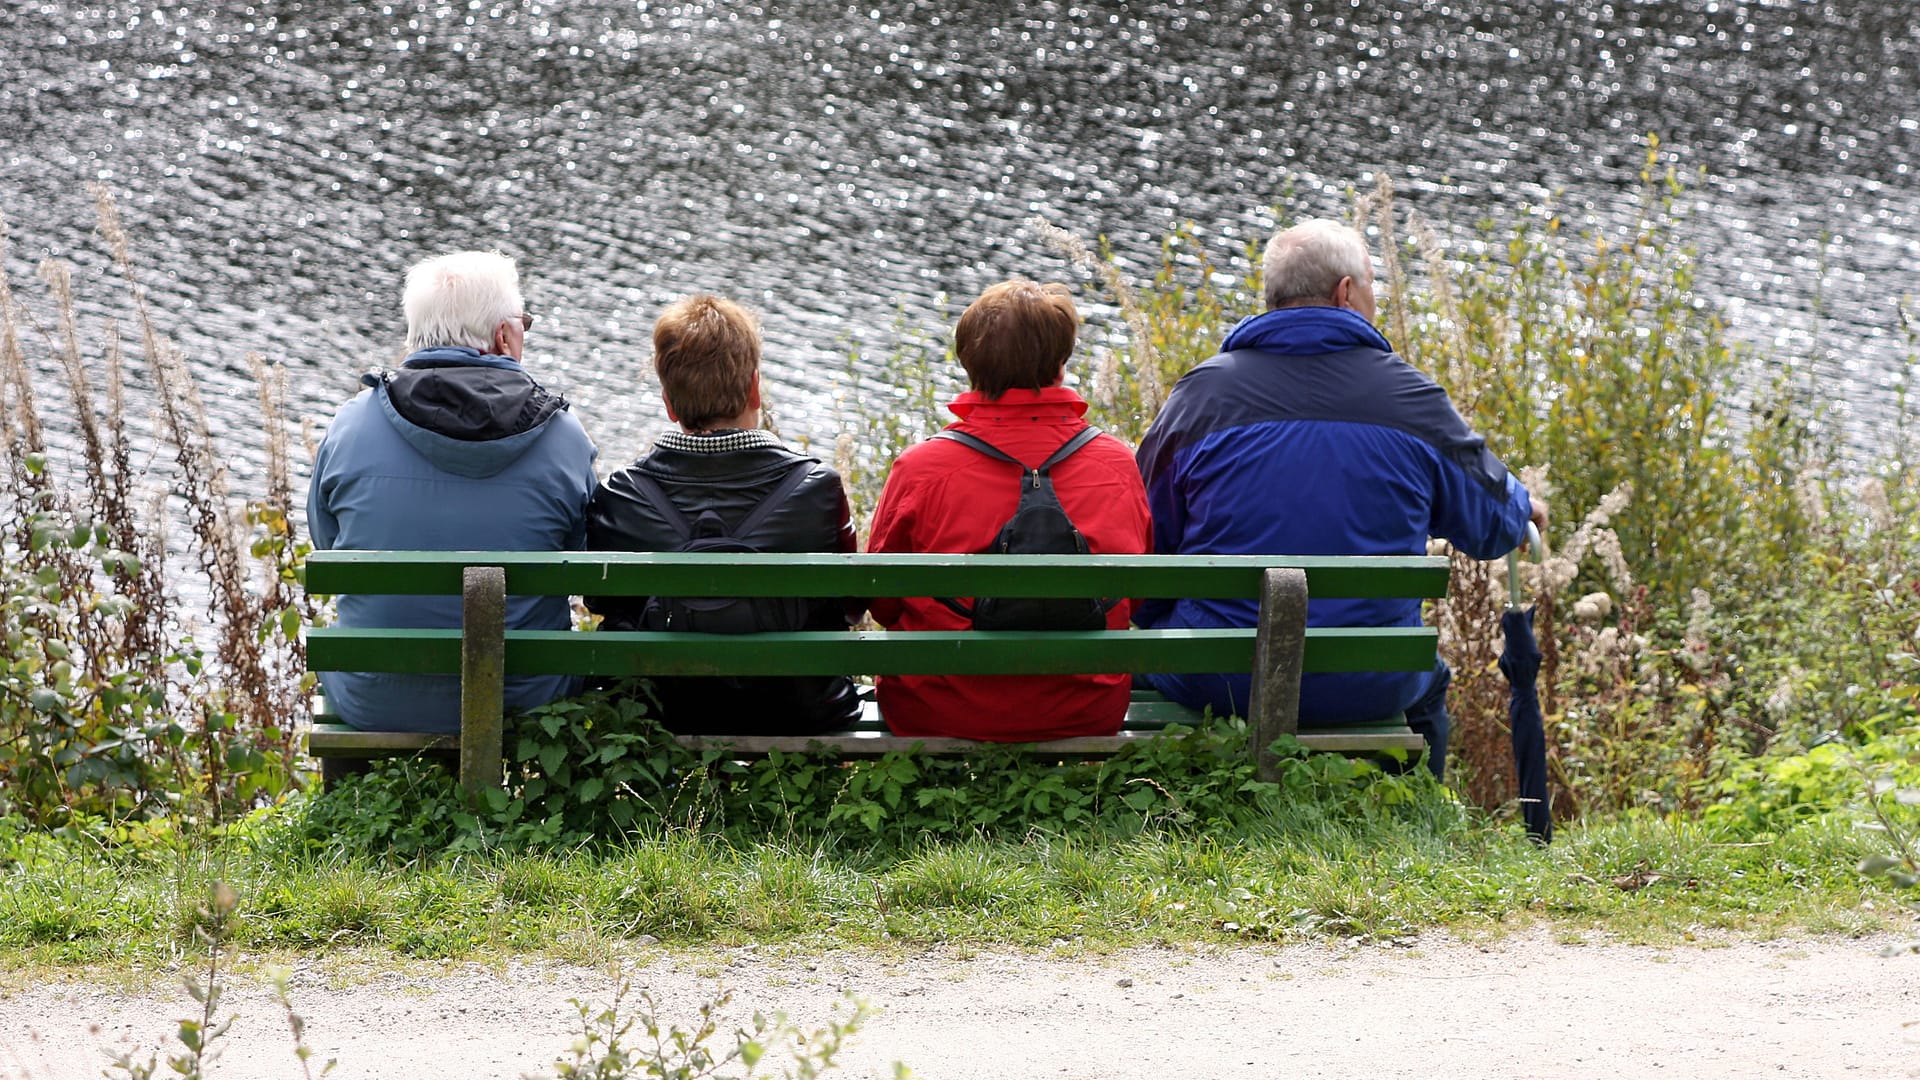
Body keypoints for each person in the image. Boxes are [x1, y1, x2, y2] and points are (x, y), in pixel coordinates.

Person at [1133, 219, 1547, 778]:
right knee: (1428, 682)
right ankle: (1416, 822)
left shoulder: (1200, 395)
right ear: (1345, 292)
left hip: (1221, 677)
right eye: (1375, 286)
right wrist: (1521, 507)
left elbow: (1146, 534)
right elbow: (1494, 525)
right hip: (1369, 681)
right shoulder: (1411, 398)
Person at [308, 250, 599, 732]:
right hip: (524, 699)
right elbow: (580, 560)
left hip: (376, 696)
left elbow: (328, 541)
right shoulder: (564, 437)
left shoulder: (351, 425)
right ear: (505, 335)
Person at [867, 280, 1153, 741]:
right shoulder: (1116, 463)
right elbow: (1133, 595)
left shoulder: (922, 468)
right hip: (1083, 708)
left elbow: (882, 601)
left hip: (938, 708)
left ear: (970, 366)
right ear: (1060, 365)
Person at [584, 294, 862, 734]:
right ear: (754, 387)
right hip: (798, 711)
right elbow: (849, 604)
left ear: (669, 403)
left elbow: (603, 602)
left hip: (662, 714)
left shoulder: (623, 494)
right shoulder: (817, 488)